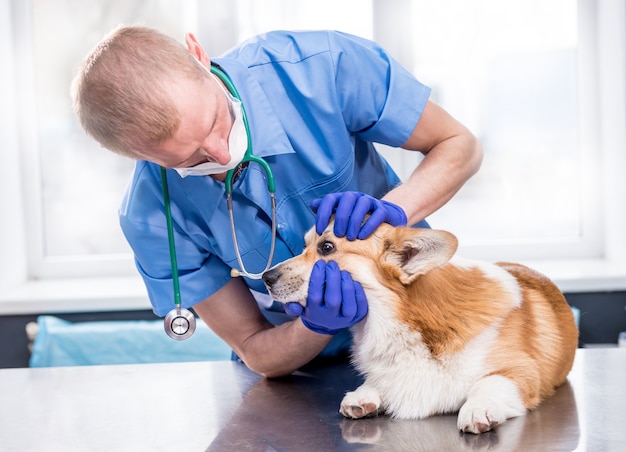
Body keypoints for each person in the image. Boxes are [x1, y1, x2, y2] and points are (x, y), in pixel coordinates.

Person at [71, 26, 483, 377]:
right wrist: (313, 326)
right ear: (137, 155)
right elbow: (253, 347)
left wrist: (396, 210)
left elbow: (458, 145)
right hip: (301, 376)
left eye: (216, 121)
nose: (221, 153)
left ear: (198, 55)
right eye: (189, 157)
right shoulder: (151, 215)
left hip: (424, 337)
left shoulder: (319, 68)